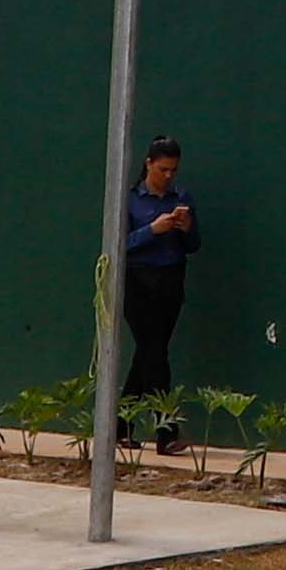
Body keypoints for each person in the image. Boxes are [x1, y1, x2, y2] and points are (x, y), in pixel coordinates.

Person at [119, 138, 200, 443]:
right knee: (154, 353)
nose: (168, 176)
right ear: (149, 163)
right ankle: (167, 431)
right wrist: (152, 230)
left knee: (149, 354)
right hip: (138, 281)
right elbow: (119, 244)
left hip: (171, 278)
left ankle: (120, 426)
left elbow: (194, 246)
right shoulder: (130, 200)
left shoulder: (182, 197)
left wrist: (186, 227)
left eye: (173, 171)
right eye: (163, 169)